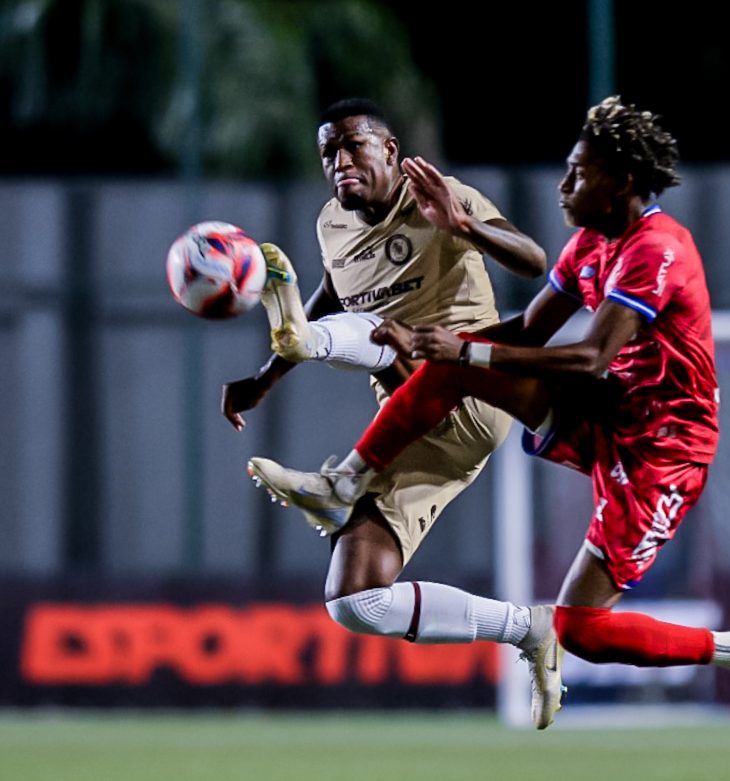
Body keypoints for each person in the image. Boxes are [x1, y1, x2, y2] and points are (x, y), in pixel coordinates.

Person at [253, 96, 730, 736]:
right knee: (457, 365)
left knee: (583, 631)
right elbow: (528, 331)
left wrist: (463, 342)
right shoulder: (590, 245)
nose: (564, 184)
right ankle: (344, 482)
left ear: (621, 181)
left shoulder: (658, 249)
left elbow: (592, 356)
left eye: (578, 172)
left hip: (662, 449)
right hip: (607, 410)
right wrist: (447, 349)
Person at [228, 98, 568, 729]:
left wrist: (463, 225)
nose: (340, 161)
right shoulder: (332, 223)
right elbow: (333, 292)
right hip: (410, 426)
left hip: (471, 389)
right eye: (328, 152)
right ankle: (528, 628)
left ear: (389, 149)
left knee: (381, 331)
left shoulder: (437, 194)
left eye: (353, 146)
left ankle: (334, 466)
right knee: (354, 600)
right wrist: (266, 378)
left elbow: (535, 260)